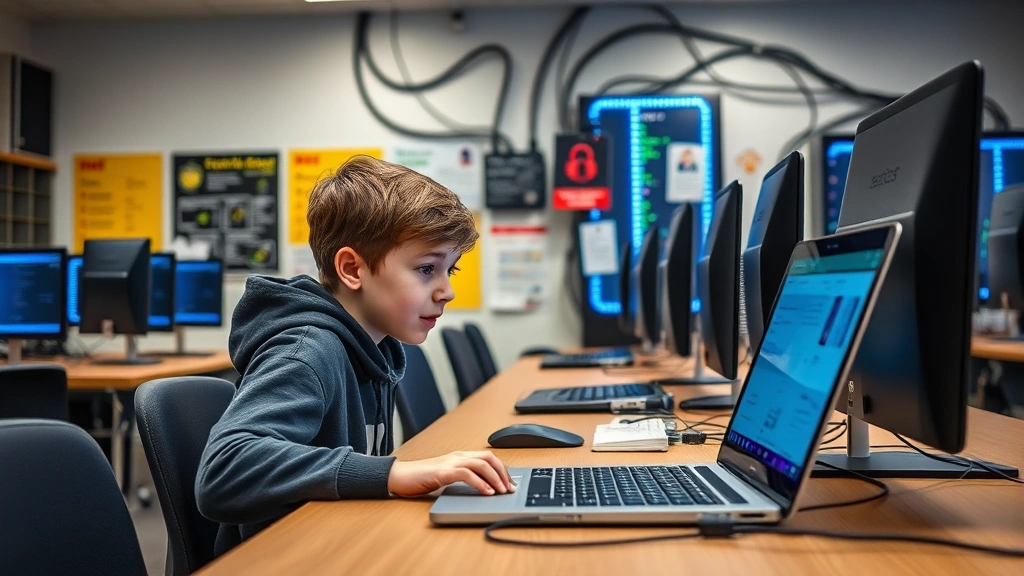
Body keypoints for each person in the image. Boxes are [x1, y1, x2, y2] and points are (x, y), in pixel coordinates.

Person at [195, 156, 513, 556]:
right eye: (426, 269)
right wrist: (391, 472)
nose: (446, 291)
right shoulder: (307, 354)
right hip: (285, 559)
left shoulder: (374, 348)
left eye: (450, 271)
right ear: (352, 269)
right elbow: (225, 470)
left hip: (340, 544)